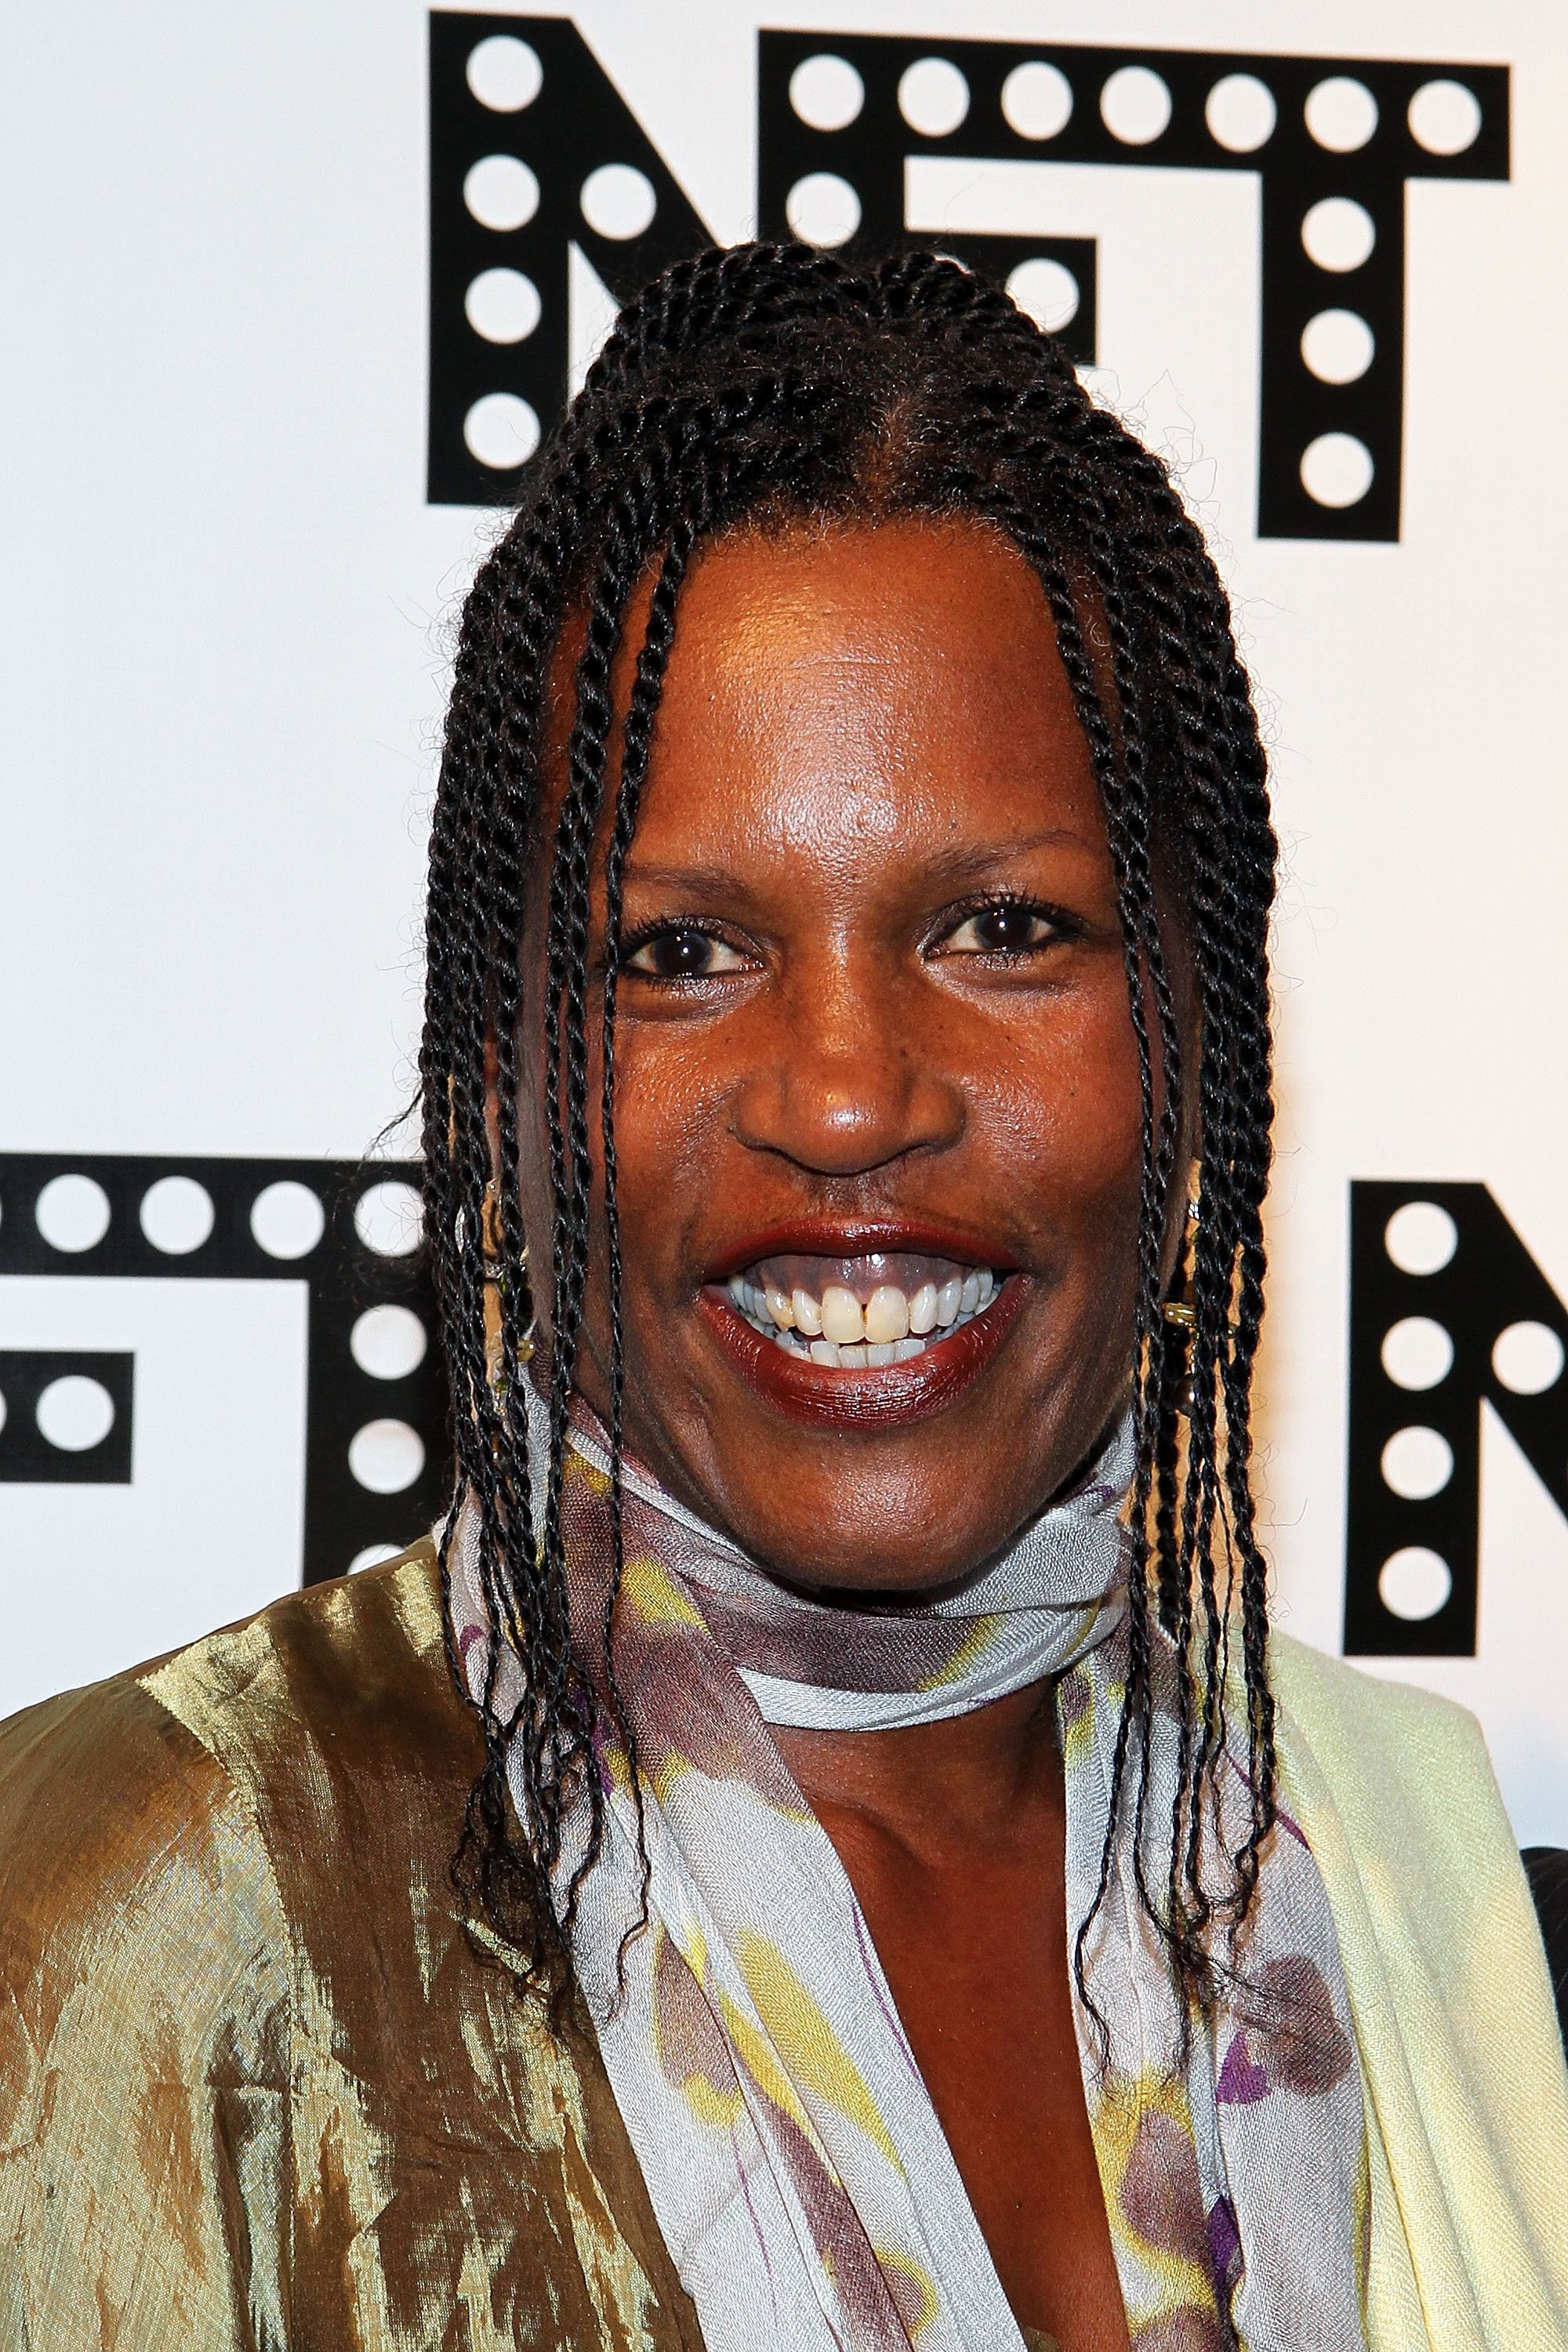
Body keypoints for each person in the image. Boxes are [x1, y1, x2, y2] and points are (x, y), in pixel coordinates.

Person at [2, 243, 1565, 2352]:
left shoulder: (1438, 1894)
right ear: (499, 1074)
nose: (846, 1092)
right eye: (679, 953)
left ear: (1197, 1036)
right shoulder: (111, 1924)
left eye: (1007, 926)